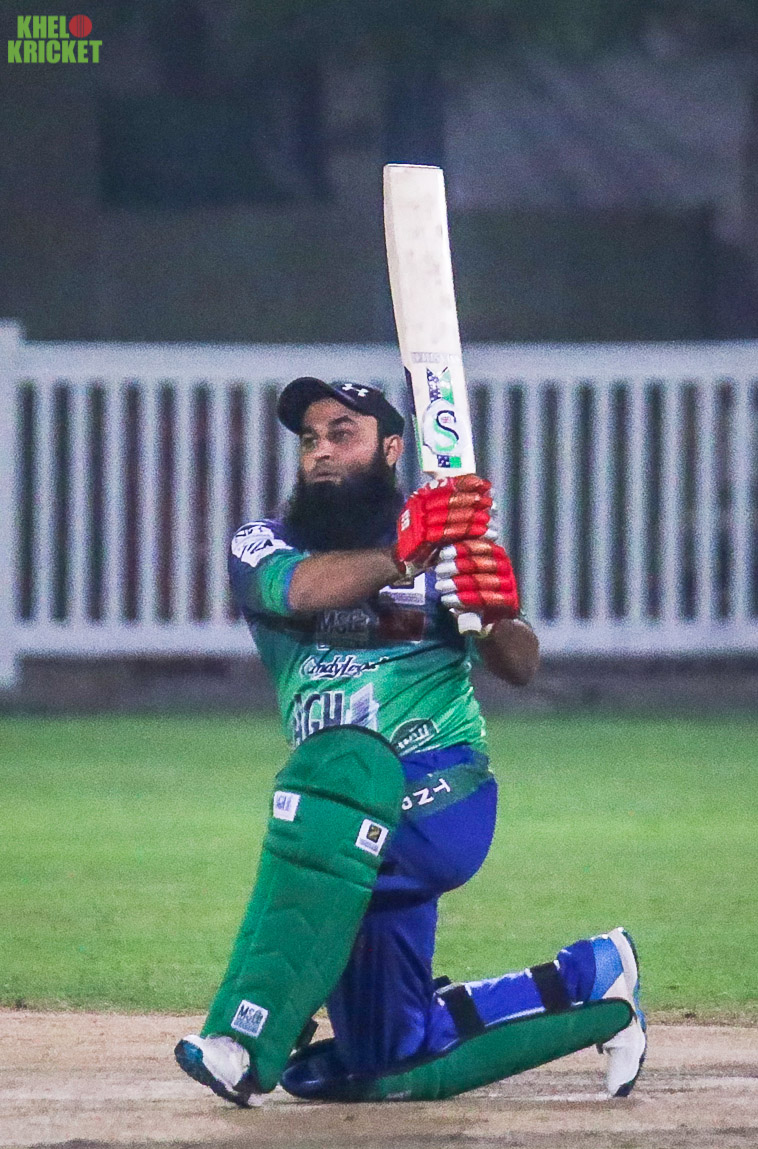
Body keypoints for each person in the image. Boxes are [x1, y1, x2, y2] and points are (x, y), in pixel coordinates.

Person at [174, 377, 646, 1106]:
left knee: (336, 786)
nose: (321, 452)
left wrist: (495, 614)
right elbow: (300, 591)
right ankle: (592, 979)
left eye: (343, 434)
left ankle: (247, 1036)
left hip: (438, 790)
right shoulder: (264, 543)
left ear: (392, 448)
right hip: (342, 813)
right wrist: (404, 551)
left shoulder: (452, 547)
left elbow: (520, 666)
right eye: (310, 439)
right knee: (387, 1060)